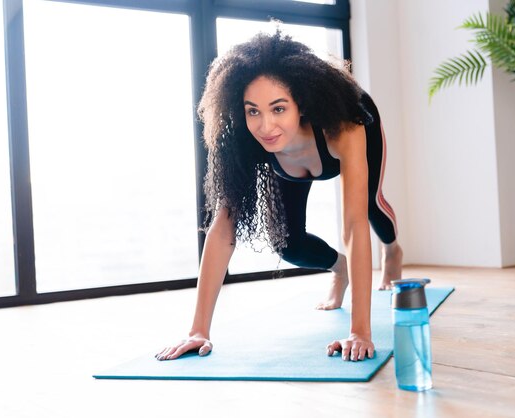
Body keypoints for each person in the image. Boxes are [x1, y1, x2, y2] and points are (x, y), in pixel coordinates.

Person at [156, 30, 402, 363]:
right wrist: (197, 330)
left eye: (278, 108)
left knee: (370, 207)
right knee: (288, 244)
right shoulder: (247, 139)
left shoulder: (345, 125)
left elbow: (354, 225)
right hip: (292, 161)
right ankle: (339, 269)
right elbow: (223, 228)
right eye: (253, 111)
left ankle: (392, 251)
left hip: (353, 123)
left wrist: (359, 331)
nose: (265, 126)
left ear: (301, 103)